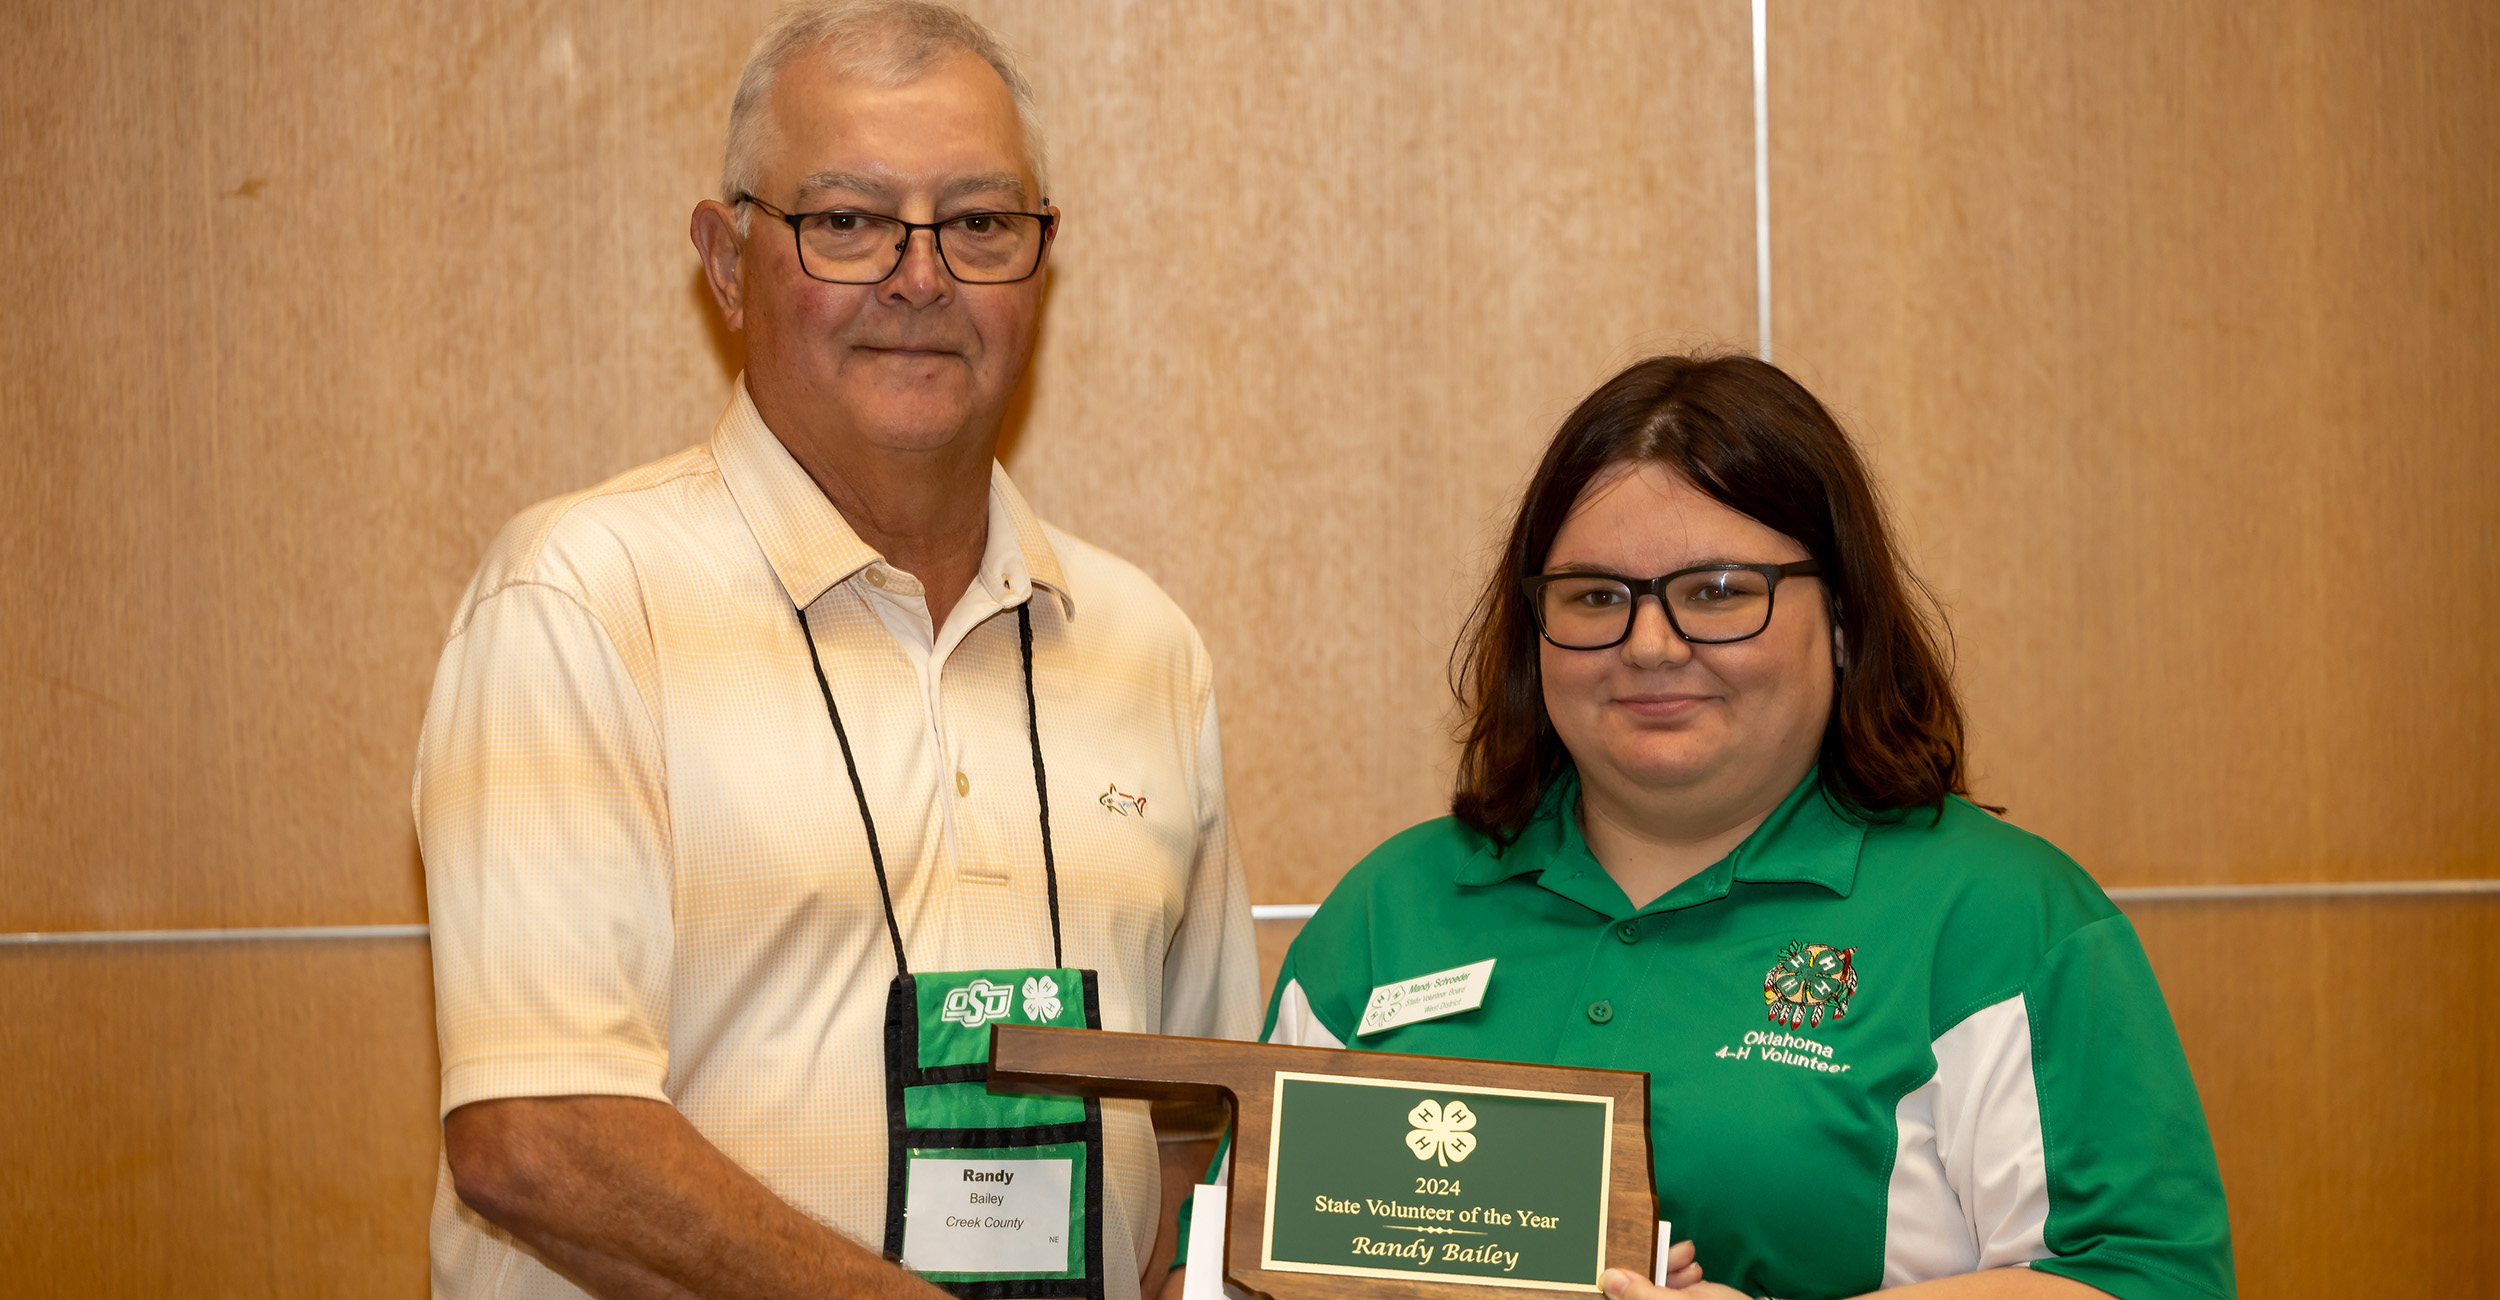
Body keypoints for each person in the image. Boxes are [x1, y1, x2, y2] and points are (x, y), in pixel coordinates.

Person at [415, 4, 1259, 1298]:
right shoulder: (581, 600)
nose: (921, 279)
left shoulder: (1146, 644)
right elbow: (538, 1137)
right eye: (848, 221)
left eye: (979, 223)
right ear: (726, 259)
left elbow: (1204, 1108)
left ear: (1041, 262)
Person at [1262, 356, 2234, 1299]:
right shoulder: (1390, 910)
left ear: (1844, 616)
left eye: (1718, 592)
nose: (1649, 644)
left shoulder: (1997, 917)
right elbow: (1232, 1261)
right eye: (1596, 596)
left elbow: (2143, 1278)